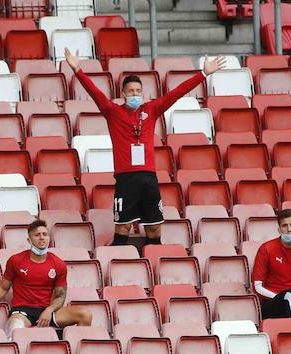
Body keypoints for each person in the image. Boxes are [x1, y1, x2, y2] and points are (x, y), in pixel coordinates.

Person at [65, 49, 228, 251]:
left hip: (149, 178)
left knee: (154, 230)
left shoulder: (151, 110)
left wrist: (202, 74)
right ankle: (119, 270)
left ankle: (153, 264)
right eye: (131, 91)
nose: (135, 94)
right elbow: (94, 92)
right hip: (126, 179)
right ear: (123, 94)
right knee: (123, 228)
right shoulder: (113, 112)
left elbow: (176, 93)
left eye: (138, 91)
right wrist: (77, 69)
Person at [0, 219, 92, 331]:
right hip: (22, 310)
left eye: (45, 234)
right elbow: (3, 288)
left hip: (47, 310)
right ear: (29, 240)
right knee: (15, 327)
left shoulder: (58, 264)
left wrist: (49, 310)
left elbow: (60, 297)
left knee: (85, 315)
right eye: (37, 235)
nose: (42, 238)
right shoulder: (16, 260)